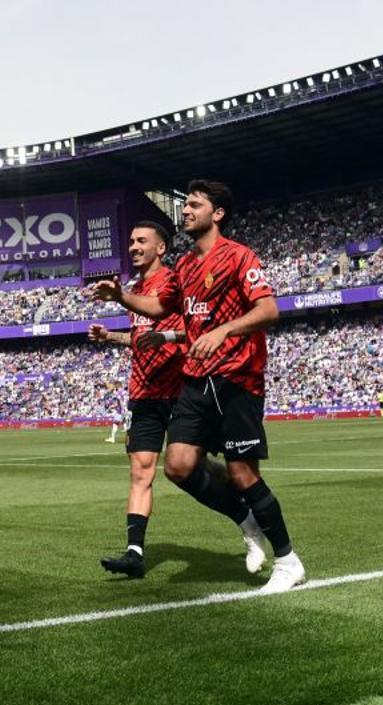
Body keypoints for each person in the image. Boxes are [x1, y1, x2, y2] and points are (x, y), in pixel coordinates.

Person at [91, 179, 304, 593]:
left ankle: (288, 560)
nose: (185, 211)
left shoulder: (239, 258)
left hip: (236, 377)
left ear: (217, 213)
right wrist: (120, 298)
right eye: (185, 206)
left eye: (194, 205)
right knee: (178, 466)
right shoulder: (185, 267)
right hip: (195, 380)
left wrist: (224, 332)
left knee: (242, 474)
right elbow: (156, 307)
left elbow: (269, 310)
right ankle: (247, 524)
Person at [88, 220, 186, 578]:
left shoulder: (174, 283)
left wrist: (167, 340)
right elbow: (141, 337)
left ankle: (244, 516)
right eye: (130, 241)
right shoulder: (134, 289)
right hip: (143, 394)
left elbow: (192, 331)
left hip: (179, 392)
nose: (133, 246)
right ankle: (134, 553)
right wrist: (112, 337)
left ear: (161, 248)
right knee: (140, 472)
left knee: (189, 469)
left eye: (142, 240)